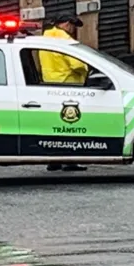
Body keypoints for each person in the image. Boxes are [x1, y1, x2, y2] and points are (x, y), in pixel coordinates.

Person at [38, 13, 88, 172]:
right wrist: (87, 70)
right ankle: (70, 161)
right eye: (72, 26)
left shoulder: (45, 38)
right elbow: (78, 64)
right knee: (71, 126)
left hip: (50, 86)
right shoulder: (64, 39)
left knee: (55, 127)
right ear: (66, 24)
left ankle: (54, 160)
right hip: (69, 86)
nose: (73, 30)